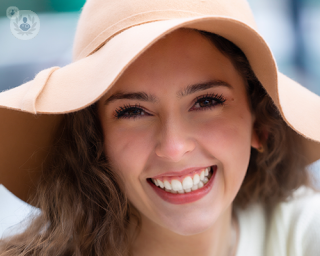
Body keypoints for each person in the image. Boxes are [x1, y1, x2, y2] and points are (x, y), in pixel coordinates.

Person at [0, 0, 320, 255]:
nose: (174, 148)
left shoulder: (304, 233)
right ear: (96, 138)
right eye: (133, 111)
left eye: (206, 101)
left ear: (260, 122)